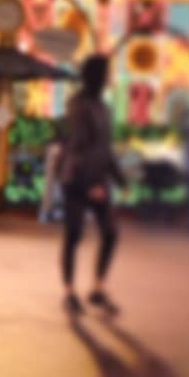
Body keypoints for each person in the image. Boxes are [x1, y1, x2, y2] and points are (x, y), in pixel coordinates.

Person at [58, 53, 125, 315]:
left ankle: (98, 287)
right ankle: (69, 292)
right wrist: (89, 184)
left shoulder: (103, 107)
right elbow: (77, 146)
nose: (109, 77)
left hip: (98, 178)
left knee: (110, 232)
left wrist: (118, 177)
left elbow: (104, 147)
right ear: (96, 75)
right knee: (74, 234)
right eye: (106, 73)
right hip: (77, 178)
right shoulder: (79, 105)